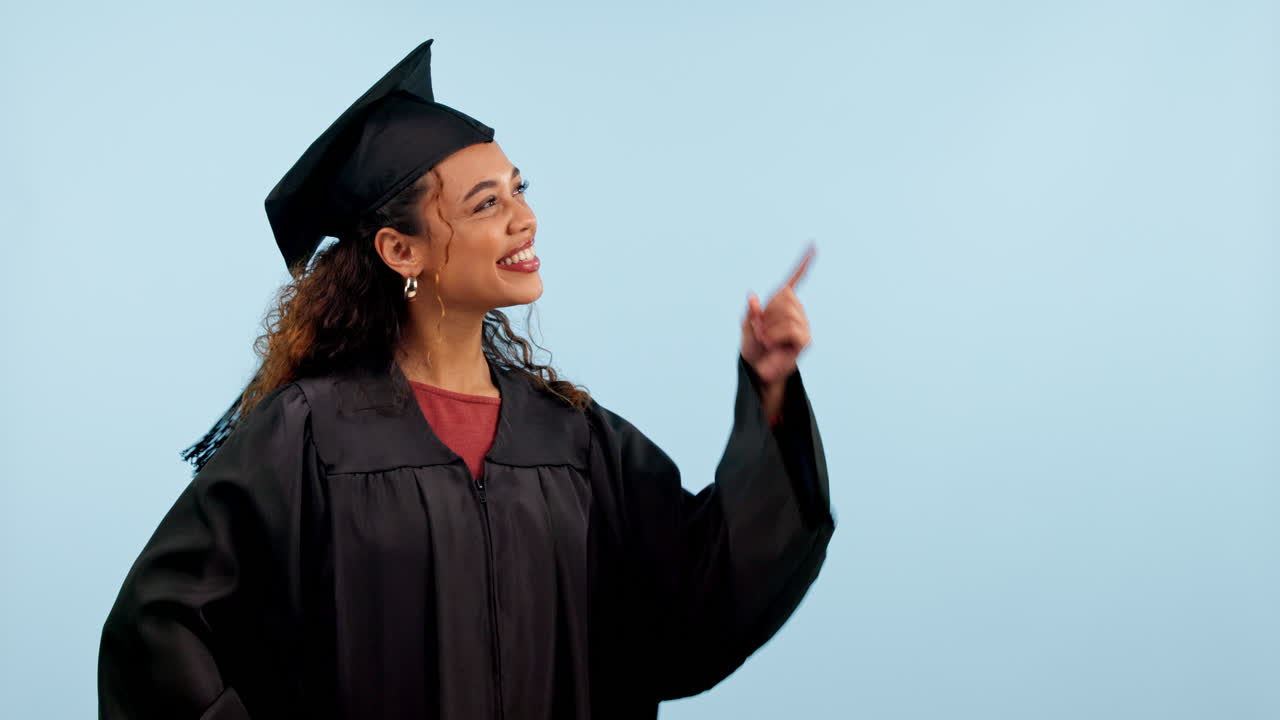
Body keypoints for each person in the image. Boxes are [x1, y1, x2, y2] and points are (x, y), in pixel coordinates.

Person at [97, 39, 834, 720]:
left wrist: (769, 390)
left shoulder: (574, 440)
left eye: (519, 190)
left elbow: (699, 594)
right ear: (400, 250)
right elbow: (156, 630)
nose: (526, 219)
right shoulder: (311, 439)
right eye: (488, 204)